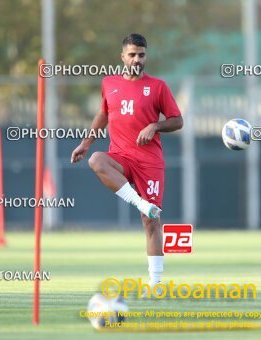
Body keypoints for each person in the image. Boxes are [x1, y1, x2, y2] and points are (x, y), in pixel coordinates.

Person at [70, 33, 183, 293]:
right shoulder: (109, 83)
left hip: (149, 162)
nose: (136, 60)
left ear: (146, 56)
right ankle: (140, 202)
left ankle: (155, 284)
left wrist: (155, 126)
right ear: (123, 57)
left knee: (150, 221)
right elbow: (103, 114)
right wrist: (86, 144)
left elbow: (177, 120)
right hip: (121, 157)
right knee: (97, 160)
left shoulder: (157, 87)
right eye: (132, 55)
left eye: (141, 55)